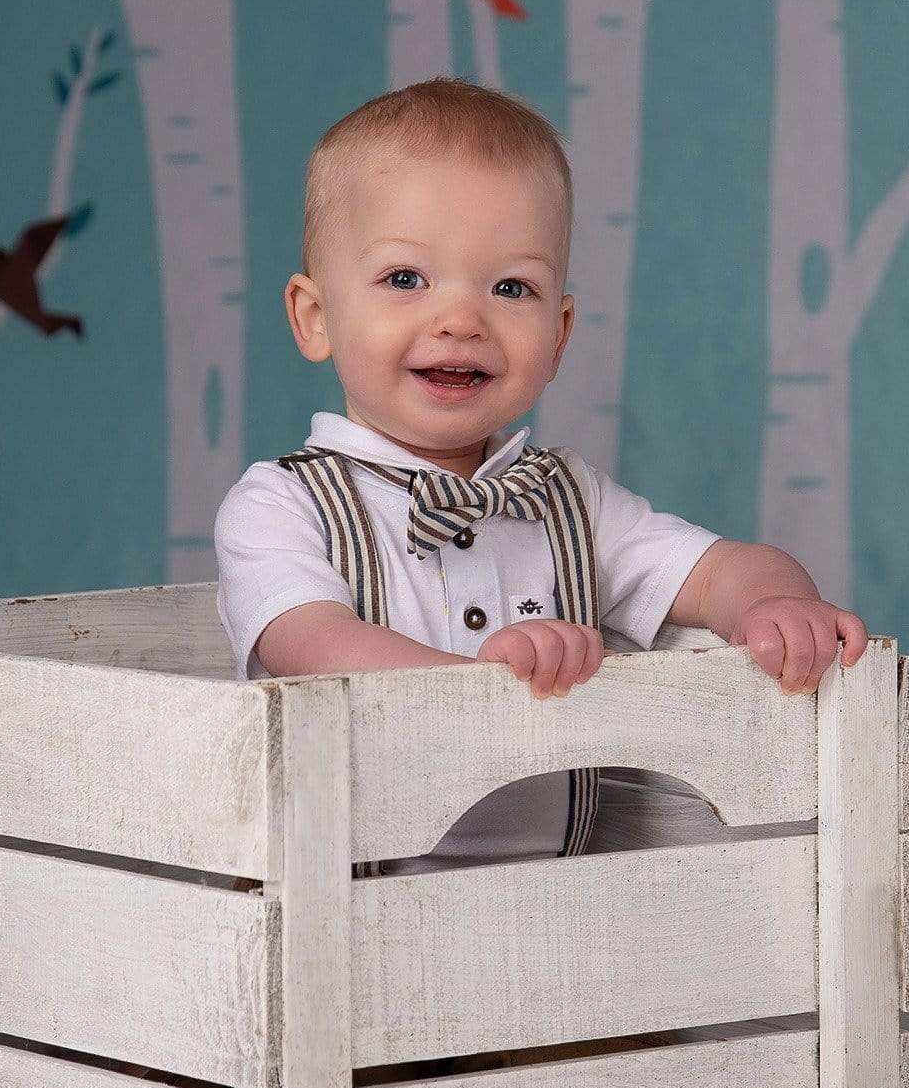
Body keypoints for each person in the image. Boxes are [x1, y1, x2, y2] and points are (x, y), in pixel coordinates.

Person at [214, 76, 867, 881]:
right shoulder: (281, 503)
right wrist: (482, 690)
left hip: (562, 903)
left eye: (510, 287)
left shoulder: (568, 501)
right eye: (406, 279)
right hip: (342, 901)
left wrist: (775, 598)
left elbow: (714, 569)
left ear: (556, 335)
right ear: (315, 316)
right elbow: (312, 645)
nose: (460, 318)